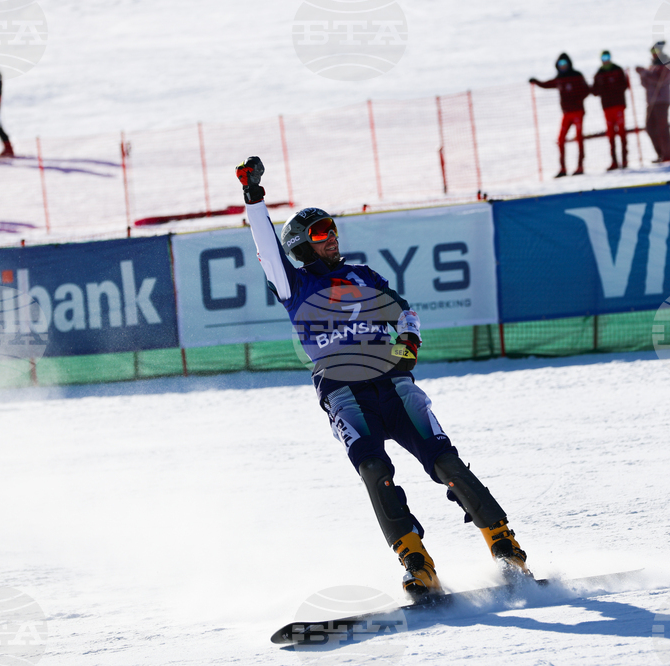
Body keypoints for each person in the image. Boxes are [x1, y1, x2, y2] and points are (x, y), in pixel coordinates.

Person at [234, 156, 532, 600]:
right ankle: (417, 562)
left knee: (445, 461)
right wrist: (254, 198)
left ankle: (504, 544)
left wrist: (408, 342)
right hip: (343, 393)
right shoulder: (293, 286)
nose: (331, 237)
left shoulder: (363, 275)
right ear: (300, 245)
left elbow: (403, 311)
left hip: (393, 383)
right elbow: (264, 248)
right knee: (375, 471)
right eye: (320, 232)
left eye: (332, 228)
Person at [531, 53, 591, 177]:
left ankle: (580, 166)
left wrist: (577, 99)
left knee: (579, 138)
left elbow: (586, 89)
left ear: (569, 64)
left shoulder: (576, 76)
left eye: (564, 63)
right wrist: (536, 82)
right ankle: (563, 168)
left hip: (578, 112)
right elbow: (546, 84)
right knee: (561, 139)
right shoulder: (559, 78)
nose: (563, 66)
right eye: (560, 64)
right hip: (566, 113)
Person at [636, 42, 670, 163]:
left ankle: (667, 155)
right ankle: (660, 154)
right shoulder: (652, 66)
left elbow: (659, 80)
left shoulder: (666, 63)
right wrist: (643, 74)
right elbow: (646, 84)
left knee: (662, 128)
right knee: (650, 127)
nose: (653, 55)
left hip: (662, 100)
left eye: (655, 52)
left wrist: (644, 73)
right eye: (652, 52)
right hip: (651, 101)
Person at [592, 50, 630, 171]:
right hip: (607, 107)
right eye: (603, 57)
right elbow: (594, 91)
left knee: (622, 132)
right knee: (611, 134)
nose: (605, 59)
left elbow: (625, 85)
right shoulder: (599, 73)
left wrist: (614, 88)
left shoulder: (617, 69)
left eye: (607, 56)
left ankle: (624, 160)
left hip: (618, 105)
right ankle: (614, 161)